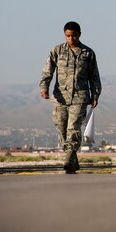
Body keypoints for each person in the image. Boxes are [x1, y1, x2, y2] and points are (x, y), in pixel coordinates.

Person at [39, 21, 101, 173]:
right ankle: (72, 158)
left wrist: (95, 94)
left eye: (73, 36)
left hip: (80, 96)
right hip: (61, 96)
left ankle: (68, 158)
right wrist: (44, 87)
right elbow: (48, 70)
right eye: (68, 36)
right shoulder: (57, 51)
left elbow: (94, 76)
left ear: (79, 34)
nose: (71, 39)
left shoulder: (88, 53)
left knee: (73, 128)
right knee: (61, 127)